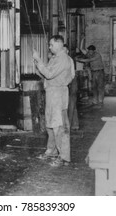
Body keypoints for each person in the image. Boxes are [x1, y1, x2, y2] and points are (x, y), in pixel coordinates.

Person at [33, 35, 75, 167]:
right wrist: (38, 65)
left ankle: (64, 157)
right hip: (52, 92)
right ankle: (51, 151)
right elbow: (46, 75)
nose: (49, 47)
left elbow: (50, 74)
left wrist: (39, 60)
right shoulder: (55, 59)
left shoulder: (63, 59)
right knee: (50, 125)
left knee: (59, 126)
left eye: (51, 45)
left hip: (58, 93)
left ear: (58, 44)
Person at [64, 44, 79, 130]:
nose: (63, 52)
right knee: (72, 104)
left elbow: (72, 75)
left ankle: (68, 125)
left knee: (71, 103)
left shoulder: (69, 59)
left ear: (67, 51)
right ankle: (75, 124)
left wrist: (66, 83)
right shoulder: (63, 59)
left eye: (65, 50)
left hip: (71, 82)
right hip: (68, 81)